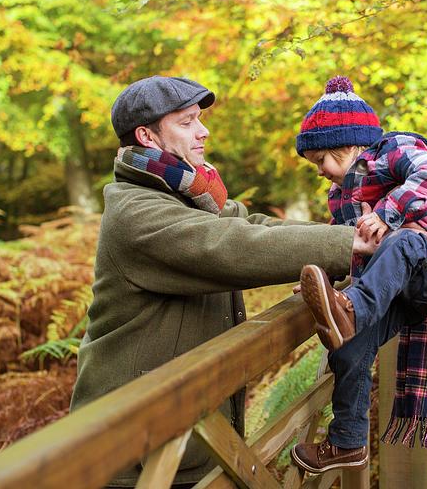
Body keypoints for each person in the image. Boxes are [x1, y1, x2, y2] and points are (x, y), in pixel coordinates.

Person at [69, 75, 369, 489]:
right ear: (147, 136)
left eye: (200, 119)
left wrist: (348, 240)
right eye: (188, 121)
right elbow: (231, 244)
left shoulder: (188, 191)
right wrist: (354, 242)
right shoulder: (136, 211)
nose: (203, 130)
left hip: (180, 435)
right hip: (129, 451)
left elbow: (251, 224)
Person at [288, 75, 427, 474]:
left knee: (402, 243)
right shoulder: (339, 196)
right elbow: (352, 253)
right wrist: (320, 283)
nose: (319, 171)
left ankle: (350, 313)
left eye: (320, 160)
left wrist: (389, 212)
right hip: (395, 294)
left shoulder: (389, 151)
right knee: (349, 347)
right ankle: (347, 441)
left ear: (348, 146)